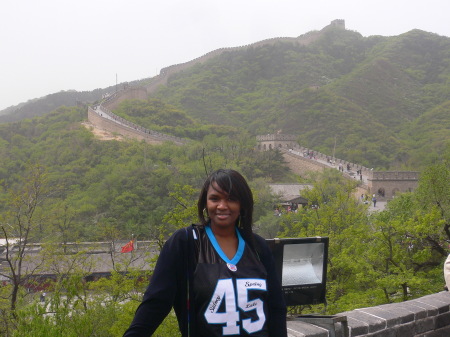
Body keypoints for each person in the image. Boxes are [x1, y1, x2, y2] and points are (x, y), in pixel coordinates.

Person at [123, 169, 287, 337]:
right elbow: (156, 303)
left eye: (231, 199)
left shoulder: (257, 246)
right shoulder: (186, 242)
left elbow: (276, 308)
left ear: (242, 204)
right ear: (205, 202)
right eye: (215, 199)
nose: (222, 206)